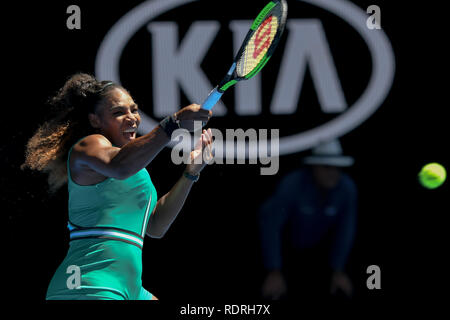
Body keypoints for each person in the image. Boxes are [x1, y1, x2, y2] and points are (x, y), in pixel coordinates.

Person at [21, 73, 213, 300]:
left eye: (134, 109)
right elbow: (119, 166)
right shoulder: (90, 146)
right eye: (118, 112)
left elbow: (155, 226)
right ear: (95, 120)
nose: (131, 118)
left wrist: (190, 173)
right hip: (88, 283)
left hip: (130, 287)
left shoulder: (137, 169)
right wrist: (173, 123)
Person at [258, 139, 357, 301]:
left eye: (337, 167)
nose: (333, 173)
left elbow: (346, 230)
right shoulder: (291, 184)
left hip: (319, 257)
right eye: (326, 167)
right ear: (314, 167)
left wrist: (338, 270)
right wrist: (273, 270)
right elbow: (271, 227)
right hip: (285, 252)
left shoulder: (347, 188)